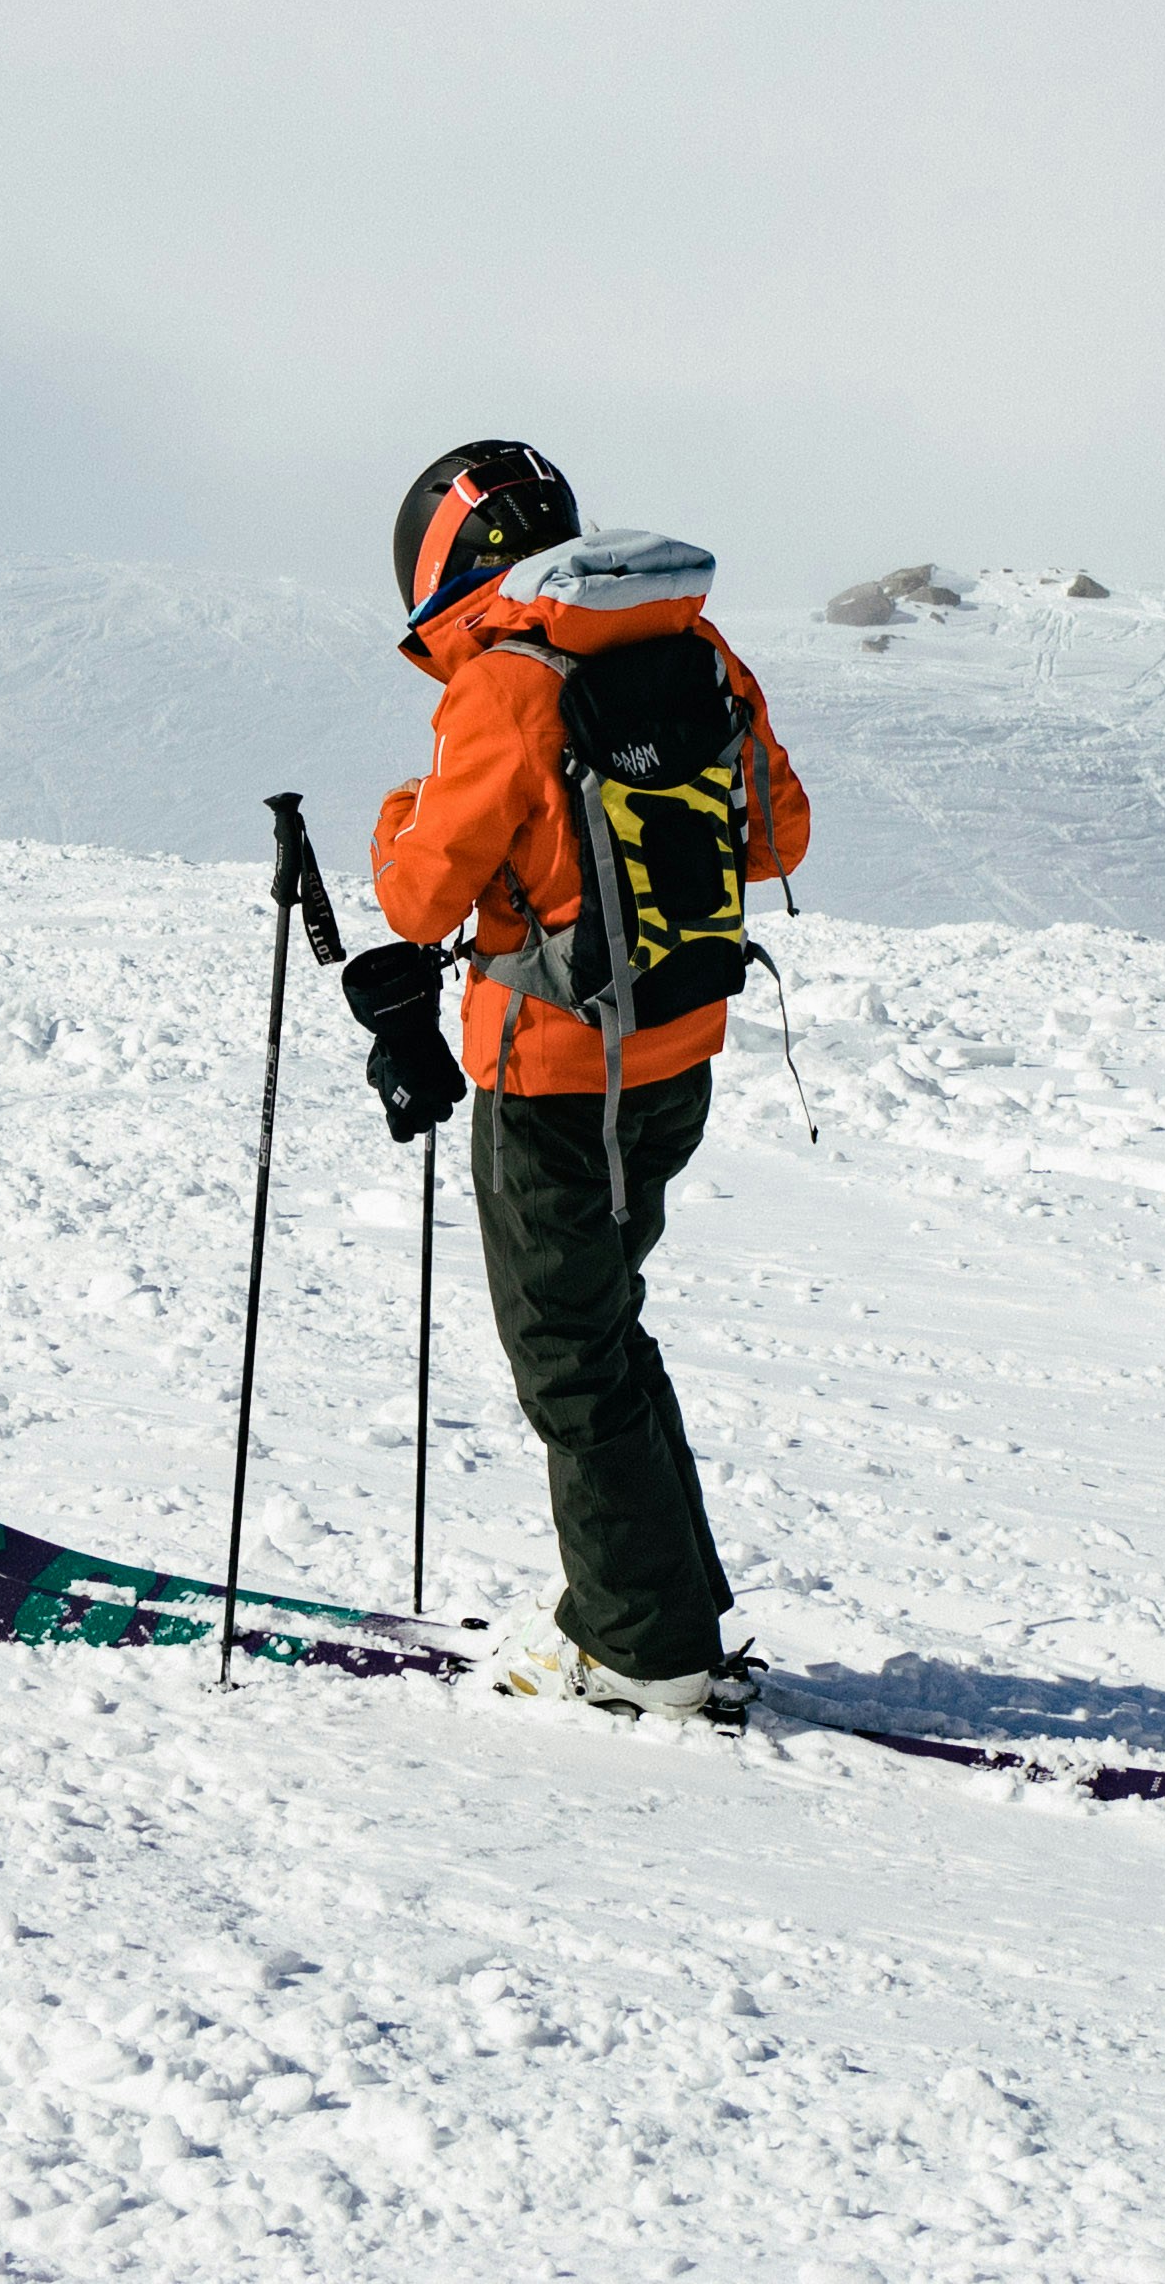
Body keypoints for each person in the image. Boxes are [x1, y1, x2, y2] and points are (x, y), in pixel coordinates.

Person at [366, 438, 811, 1721]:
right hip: (673, 1054)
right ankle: (661, 1611)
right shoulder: (703, 652)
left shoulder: (507, 683)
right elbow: (777, 833)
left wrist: (402, 806)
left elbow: (417, 891)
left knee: (567, 1355)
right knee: (605, 1327)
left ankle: (643, 1651)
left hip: (548, 1068)